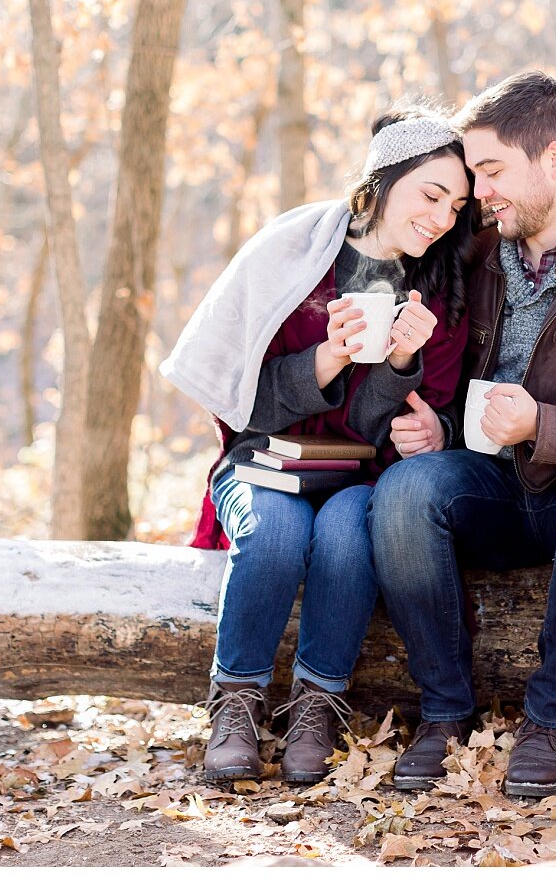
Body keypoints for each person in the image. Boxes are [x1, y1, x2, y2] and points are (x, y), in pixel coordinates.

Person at [160, 106, 474, 785]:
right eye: (430, 194)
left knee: (345, 541)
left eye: (457, 204)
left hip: (357, 477)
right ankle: (236, 703)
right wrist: (326, 359)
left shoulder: (438, 294)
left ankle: (316, 704)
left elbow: (377, 431)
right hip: (263, 461)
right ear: (382, 181)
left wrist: (398, 367)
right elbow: (241, 404)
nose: (443, 216)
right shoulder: (294, 254)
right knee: (273, 538)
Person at [372, 72, 556, 798]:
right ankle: (444, 715)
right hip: (494, 485)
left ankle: (551, 719)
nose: (482, 190)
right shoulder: (475, 249)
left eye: (493, 170)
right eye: (476, 174)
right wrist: (436, 420)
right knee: (405, 492)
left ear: (555, 161)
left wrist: (543, 424)